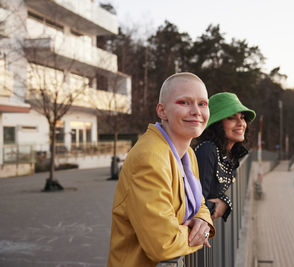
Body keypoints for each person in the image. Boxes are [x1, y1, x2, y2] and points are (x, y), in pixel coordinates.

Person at [107, 72, 215, 267]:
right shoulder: (149, 158)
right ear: (162, 111)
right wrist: (199, 234)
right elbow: (163, 244)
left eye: (202, 104)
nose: (196, 111)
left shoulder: (188, 154)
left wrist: (203, 222)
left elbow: (200, 204)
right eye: (184, 102)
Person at [194, 92, 256, 221]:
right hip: (190, 234)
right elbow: (196, 205)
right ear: (217, 123)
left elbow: (216, 195)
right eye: (232, 118)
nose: (241, 123)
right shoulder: (208, 150)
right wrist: (223, 205)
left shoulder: (230, 156)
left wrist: (225, 202)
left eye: (243, 117)